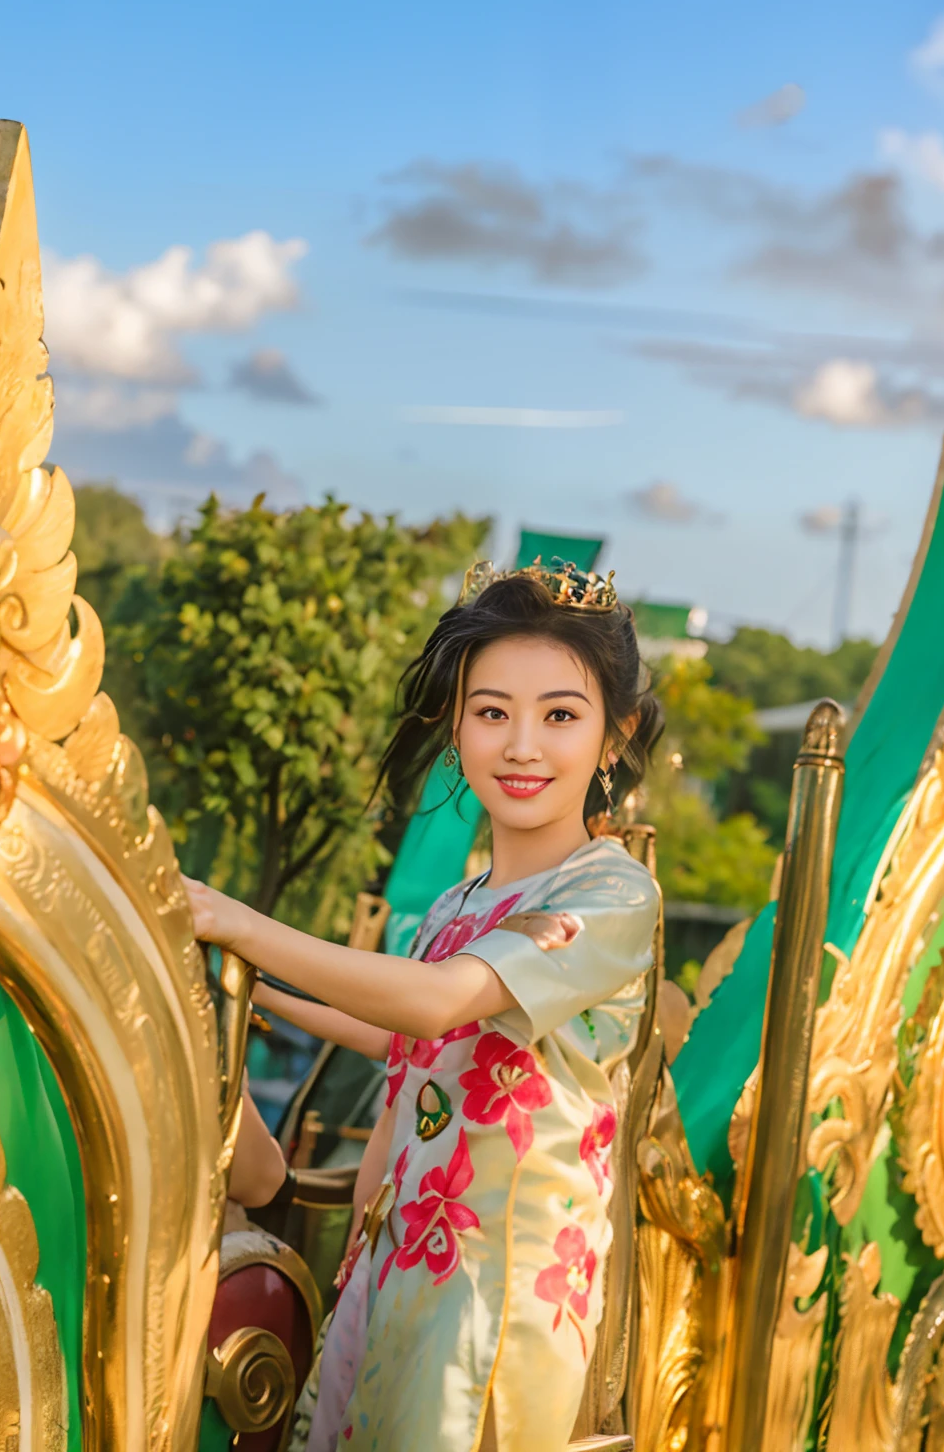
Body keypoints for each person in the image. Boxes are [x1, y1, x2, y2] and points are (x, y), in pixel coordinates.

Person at [186, 559, 663, 1452]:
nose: (522, 745)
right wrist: (257, 991)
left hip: (496, 1300)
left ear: (614, 736)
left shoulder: (610, 890)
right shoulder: (457, 903)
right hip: (396, 1266)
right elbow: (399, 1036)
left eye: (560, 715)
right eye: (493, 712)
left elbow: (442, 1004)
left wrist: (245, 925)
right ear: (457, 727)